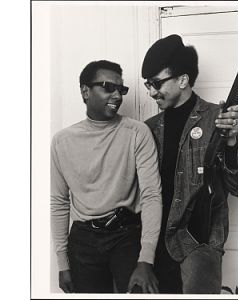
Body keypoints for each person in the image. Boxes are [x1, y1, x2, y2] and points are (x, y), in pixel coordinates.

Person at [142, 34, 238, 294]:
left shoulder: (218, 119)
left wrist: (232, 141)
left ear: (182, 79)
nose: (151, 92)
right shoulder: (149, 129)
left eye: (156, 83)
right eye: (148, 84)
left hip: (199, 244)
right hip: (155, 247)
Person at [51, 60, 162, 293]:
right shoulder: (62, 141)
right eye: (107, 87)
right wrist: (63, 263)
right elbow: (59, 202)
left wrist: (146, 259)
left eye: (120, 89)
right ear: (85, 91)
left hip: (127, 235)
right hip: (83, 240)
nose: (117, 96)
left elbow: (151, 195)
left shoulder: (137, 132)